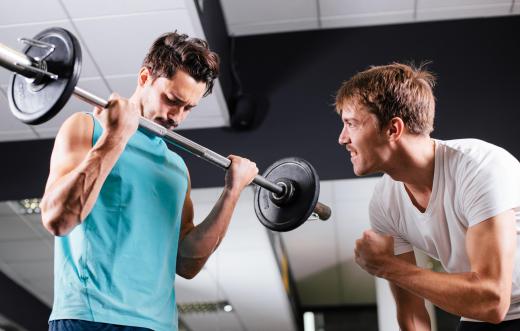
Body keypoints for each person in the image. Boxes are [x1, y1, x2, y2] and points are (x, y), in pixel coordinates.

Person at [40, 31, 258, 331]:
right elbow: (57, 220)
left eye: (188, 108)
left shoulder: (176, 168)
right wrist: (115, 136)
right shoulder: (87, 127)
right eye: (172, 100)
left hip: (158, 325)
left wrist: (232, 193)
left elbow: (186, 264)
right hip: (89, 318)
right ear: (145, 77)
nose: (177, 118)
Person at [335, 63, 520, 331]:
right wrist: (389, 268)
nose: (342, 138)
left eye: (350, 124)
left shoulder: (479, 168)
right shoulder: (384, 201)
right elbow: (411, 313)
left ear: (393, 129)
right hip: (478, 316)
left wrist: (386, 265)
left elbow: (493, 300)